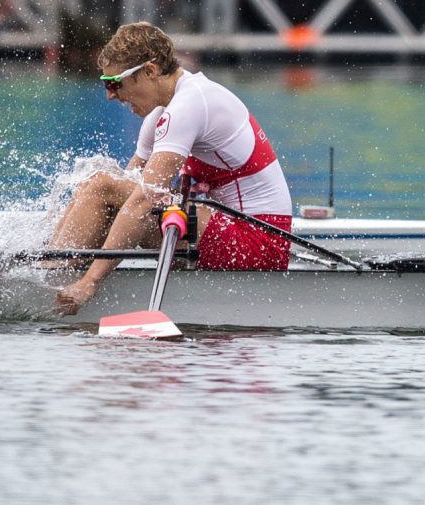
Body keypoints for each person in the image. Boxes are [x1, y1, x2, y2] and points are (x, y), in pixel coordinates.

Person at [53, 22, 293, 314]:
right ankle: (50, 265)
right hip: (225, 229)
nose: (110, 95)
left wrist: (92, 281)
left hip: (259, 241)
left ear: (150, 71)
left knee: (105, 186)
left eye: (115, 83)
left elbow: (143, 199)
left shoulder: (190, 104)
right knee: (96, 185)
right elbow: (124, 191)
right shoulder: (159, 116)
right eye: (106, 83)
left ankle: (57, 280)